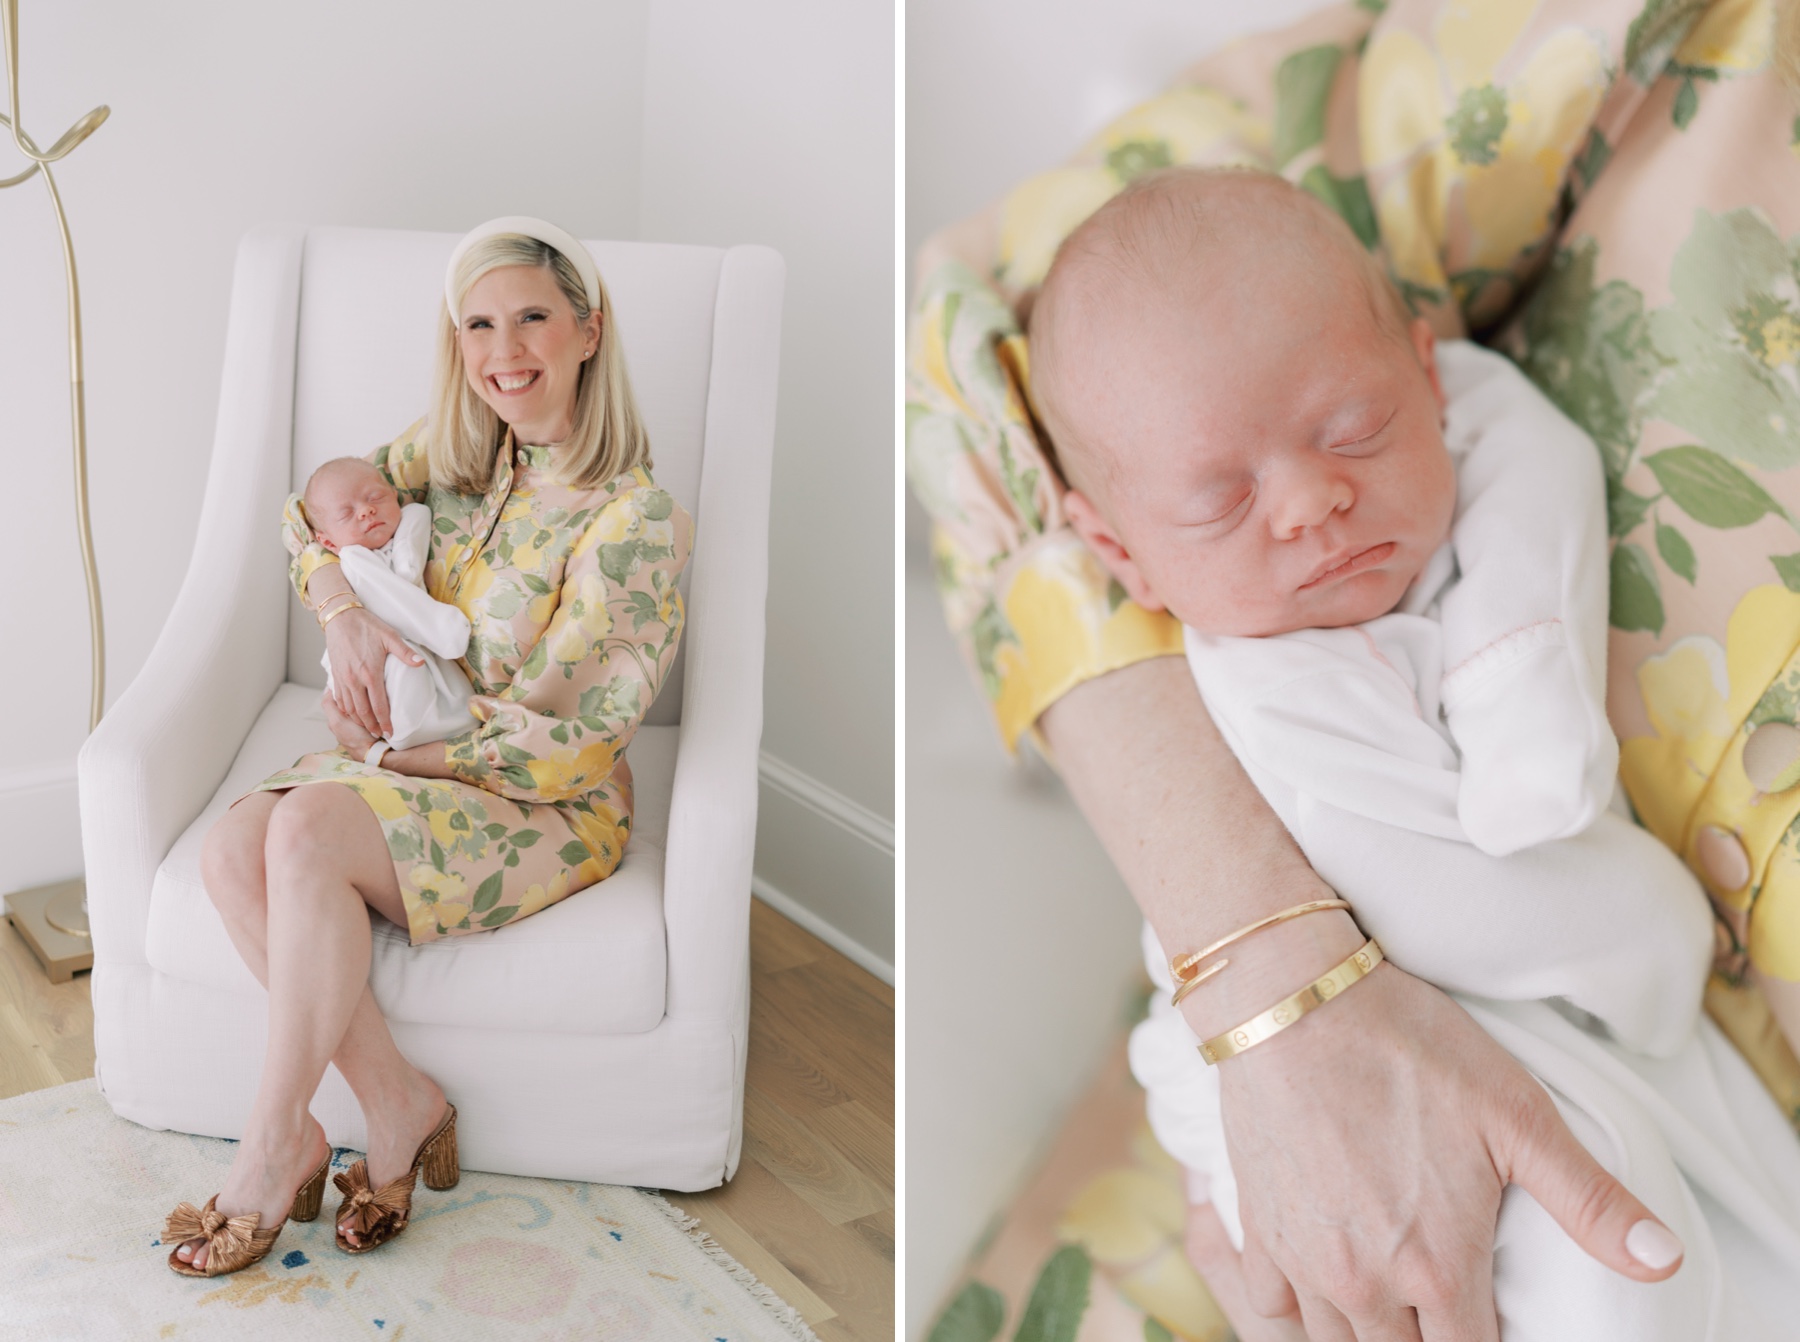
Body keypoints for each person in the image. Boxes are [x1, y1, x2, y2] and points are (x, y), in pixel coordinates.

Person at [907, 0, 1800, 1335]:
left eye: (1353, 427)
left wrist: (1513, 686)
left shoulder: (1478, 485)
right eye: (1217, 504)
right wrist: (1271, 1017)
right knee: (1606, 1275)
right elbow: (959, 351)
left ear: (1422, 382)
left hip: (1629, 1062)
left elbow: (1510, 442)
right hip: (1382, 1059)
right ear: (1122, 552)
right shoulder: (1261, 684)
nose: (1313, 502)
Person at [163, 216, 693, 1276]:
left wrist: (411, 758)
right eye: (480, 323)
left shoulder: (632, 518)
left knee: (306, 829)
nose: (506, 349)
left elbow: (581, 739)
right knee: (232, 847)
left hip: (542, 797)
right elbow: (302, 515)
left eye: (534, 317)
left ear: (590, 331)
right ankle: (394, 1102)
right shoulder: (446, 458)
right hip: (412, 756)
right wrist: (339, 613)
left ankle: (271, 1149)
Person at [302, 456, 478, 753]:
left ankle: (417, 737)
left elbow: (415, 522)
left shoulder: (406, 531)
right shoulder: (353, 561)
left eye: (376, 498)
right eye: (346, 514)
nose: (366, 510)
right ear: (328, 543)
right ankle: (395, 735)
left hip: (417, 648)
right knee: (399, 675)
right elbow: (396, 595)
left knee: (419, 673)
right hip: (377, 651)